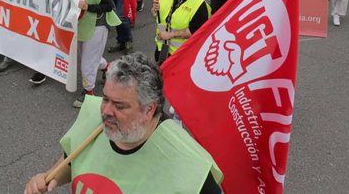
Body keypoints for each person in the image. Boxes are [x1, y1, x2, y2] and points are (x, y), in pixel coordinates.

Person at [23, 52, 223, 194]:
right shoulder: (93, 116)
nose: (106, 111)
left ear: (149, 109)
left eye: (120, 106)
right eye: (106, 99)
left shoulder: (191, 167)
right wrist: (49, 177)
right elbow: (73, 159)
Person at [71, 0, 122, 108]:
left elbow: (109, 6)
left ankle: (89, 91)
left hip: (97, 25)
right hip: (80, 23)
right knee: (88, 56)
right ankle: (107, 67)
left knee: (87, 62)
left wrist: (89, 7)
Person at [152, 0, 210, 64]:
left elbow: (194, 32)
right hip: (162, 47)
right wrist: (154, 10)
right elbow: (159, 15)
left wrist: (170, 35)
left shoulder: (200, 4)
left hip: (181, 54)